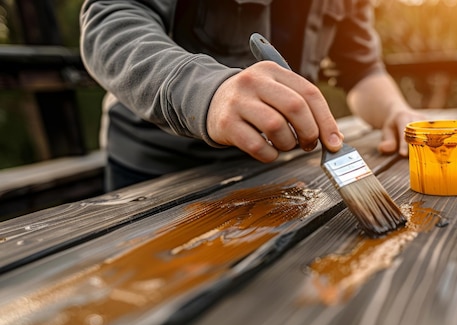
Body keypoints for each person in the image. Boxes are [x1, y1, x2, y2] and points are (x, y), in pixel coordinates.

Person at [79, 0, 426, 191]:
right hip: (159, 175)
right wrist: (208, 91)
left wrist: (395, 109)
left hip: (273, 173)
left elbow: (362, 71)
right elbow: (110, 22)